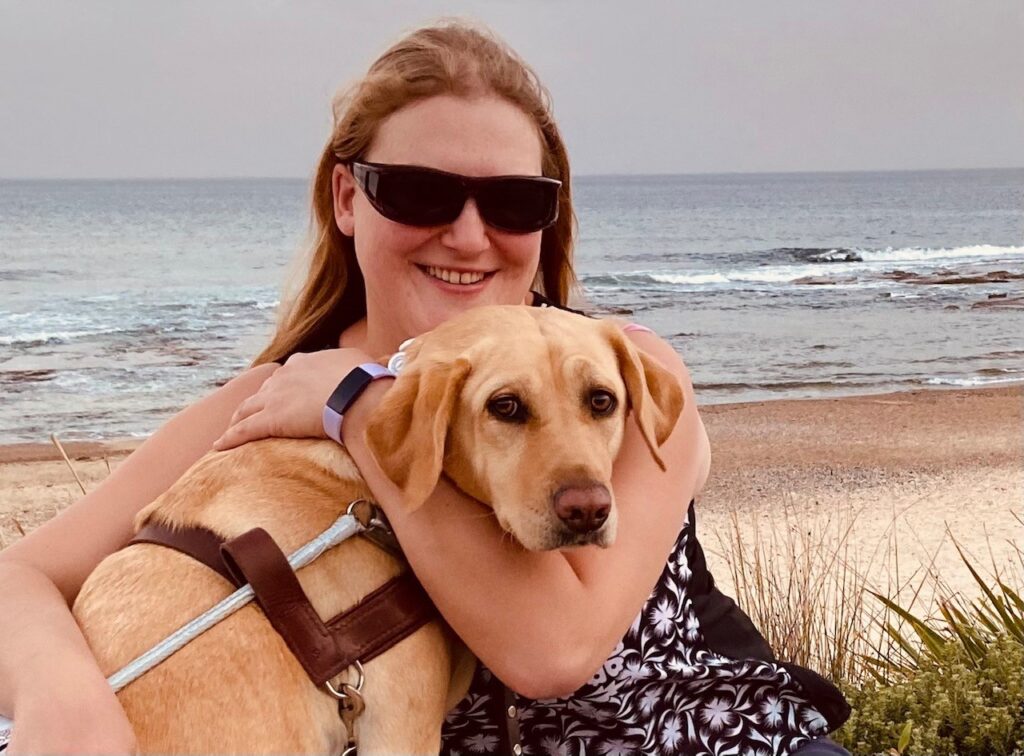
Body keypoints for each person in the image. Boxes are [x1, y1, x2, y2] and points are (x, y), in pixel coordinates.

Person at [0, 20, 850, 756]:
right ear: (346, 197)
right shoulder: (269, 401)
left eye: (514, 201)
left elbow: (552, 651)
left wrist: (361, 408)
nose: (471, 235)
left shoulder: (617, 371)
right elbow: (18, 579)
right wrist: (59, 693)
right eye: (421, 192)